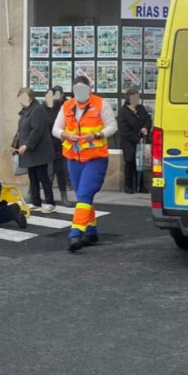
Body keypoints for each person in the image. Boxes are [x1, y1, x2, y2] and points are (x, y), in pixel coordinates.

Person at [52, 76, 117, 252]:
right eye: (76, 90)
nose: (80, 93)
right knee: (83, 196)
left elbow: (112, 126)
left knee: (84, 195)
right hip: (74, 158)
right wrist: (66, 135)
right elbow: (56, 129)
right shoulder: (67, 106)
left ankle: (75, 233)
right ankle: (91, 231)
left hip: (95, 158)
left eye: (83, 89)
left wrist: (96, 135)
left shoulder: (101, 104)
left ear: (90, 88)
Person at [15, 87, 56, 212]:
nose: (20, 101)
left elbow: (37, 130)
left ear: (30, 98)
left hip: (39, 151)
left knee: (43, 176)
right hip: (31, 151)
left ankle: (50, 202)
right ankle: (36, 201)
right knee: (33, 177)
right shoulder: (25, 111)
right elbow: (22, 129)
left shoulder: (37, 110)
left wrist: (26, 144)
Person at [117, 86, 151, 194]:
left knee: (141, 164)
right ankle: (128, 186)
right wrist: (136, 139)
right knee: (130, 163)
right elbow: (124, 130)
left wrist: (146, 127)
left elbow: (148, 119)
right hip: (129, 142)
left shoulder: (141, 109)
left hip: (141, 141)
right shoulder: (123, 111)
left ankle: (141, 186)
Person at [44, 86, 71, 206]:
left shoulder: (61, 109)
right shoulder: (42, 109)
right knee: (48, 173)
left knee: (61, 171)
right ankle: (48, 197)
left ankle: (64, 197)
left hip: (59, 144)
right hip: (46, 145)